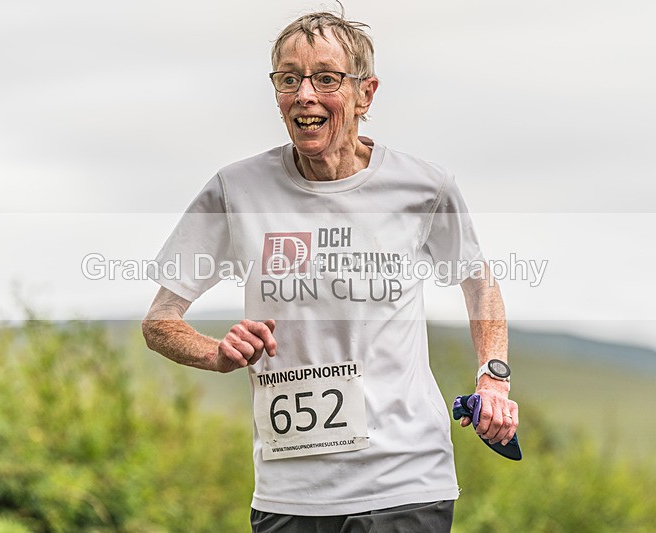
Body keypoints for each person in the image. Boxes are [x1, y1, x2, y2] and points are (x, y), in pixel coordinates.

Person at [142, 7, 517, 532]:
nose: (304, 95)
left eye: (325, 78)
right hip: (290, 493)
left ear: (366, 93)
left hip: (405, 480)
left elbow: (481, 287)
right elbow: (159, 322)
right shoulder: (236, 189)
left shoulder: (424, 187)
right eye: (288, 79)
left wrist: (492, 378)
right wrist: (216, 353)